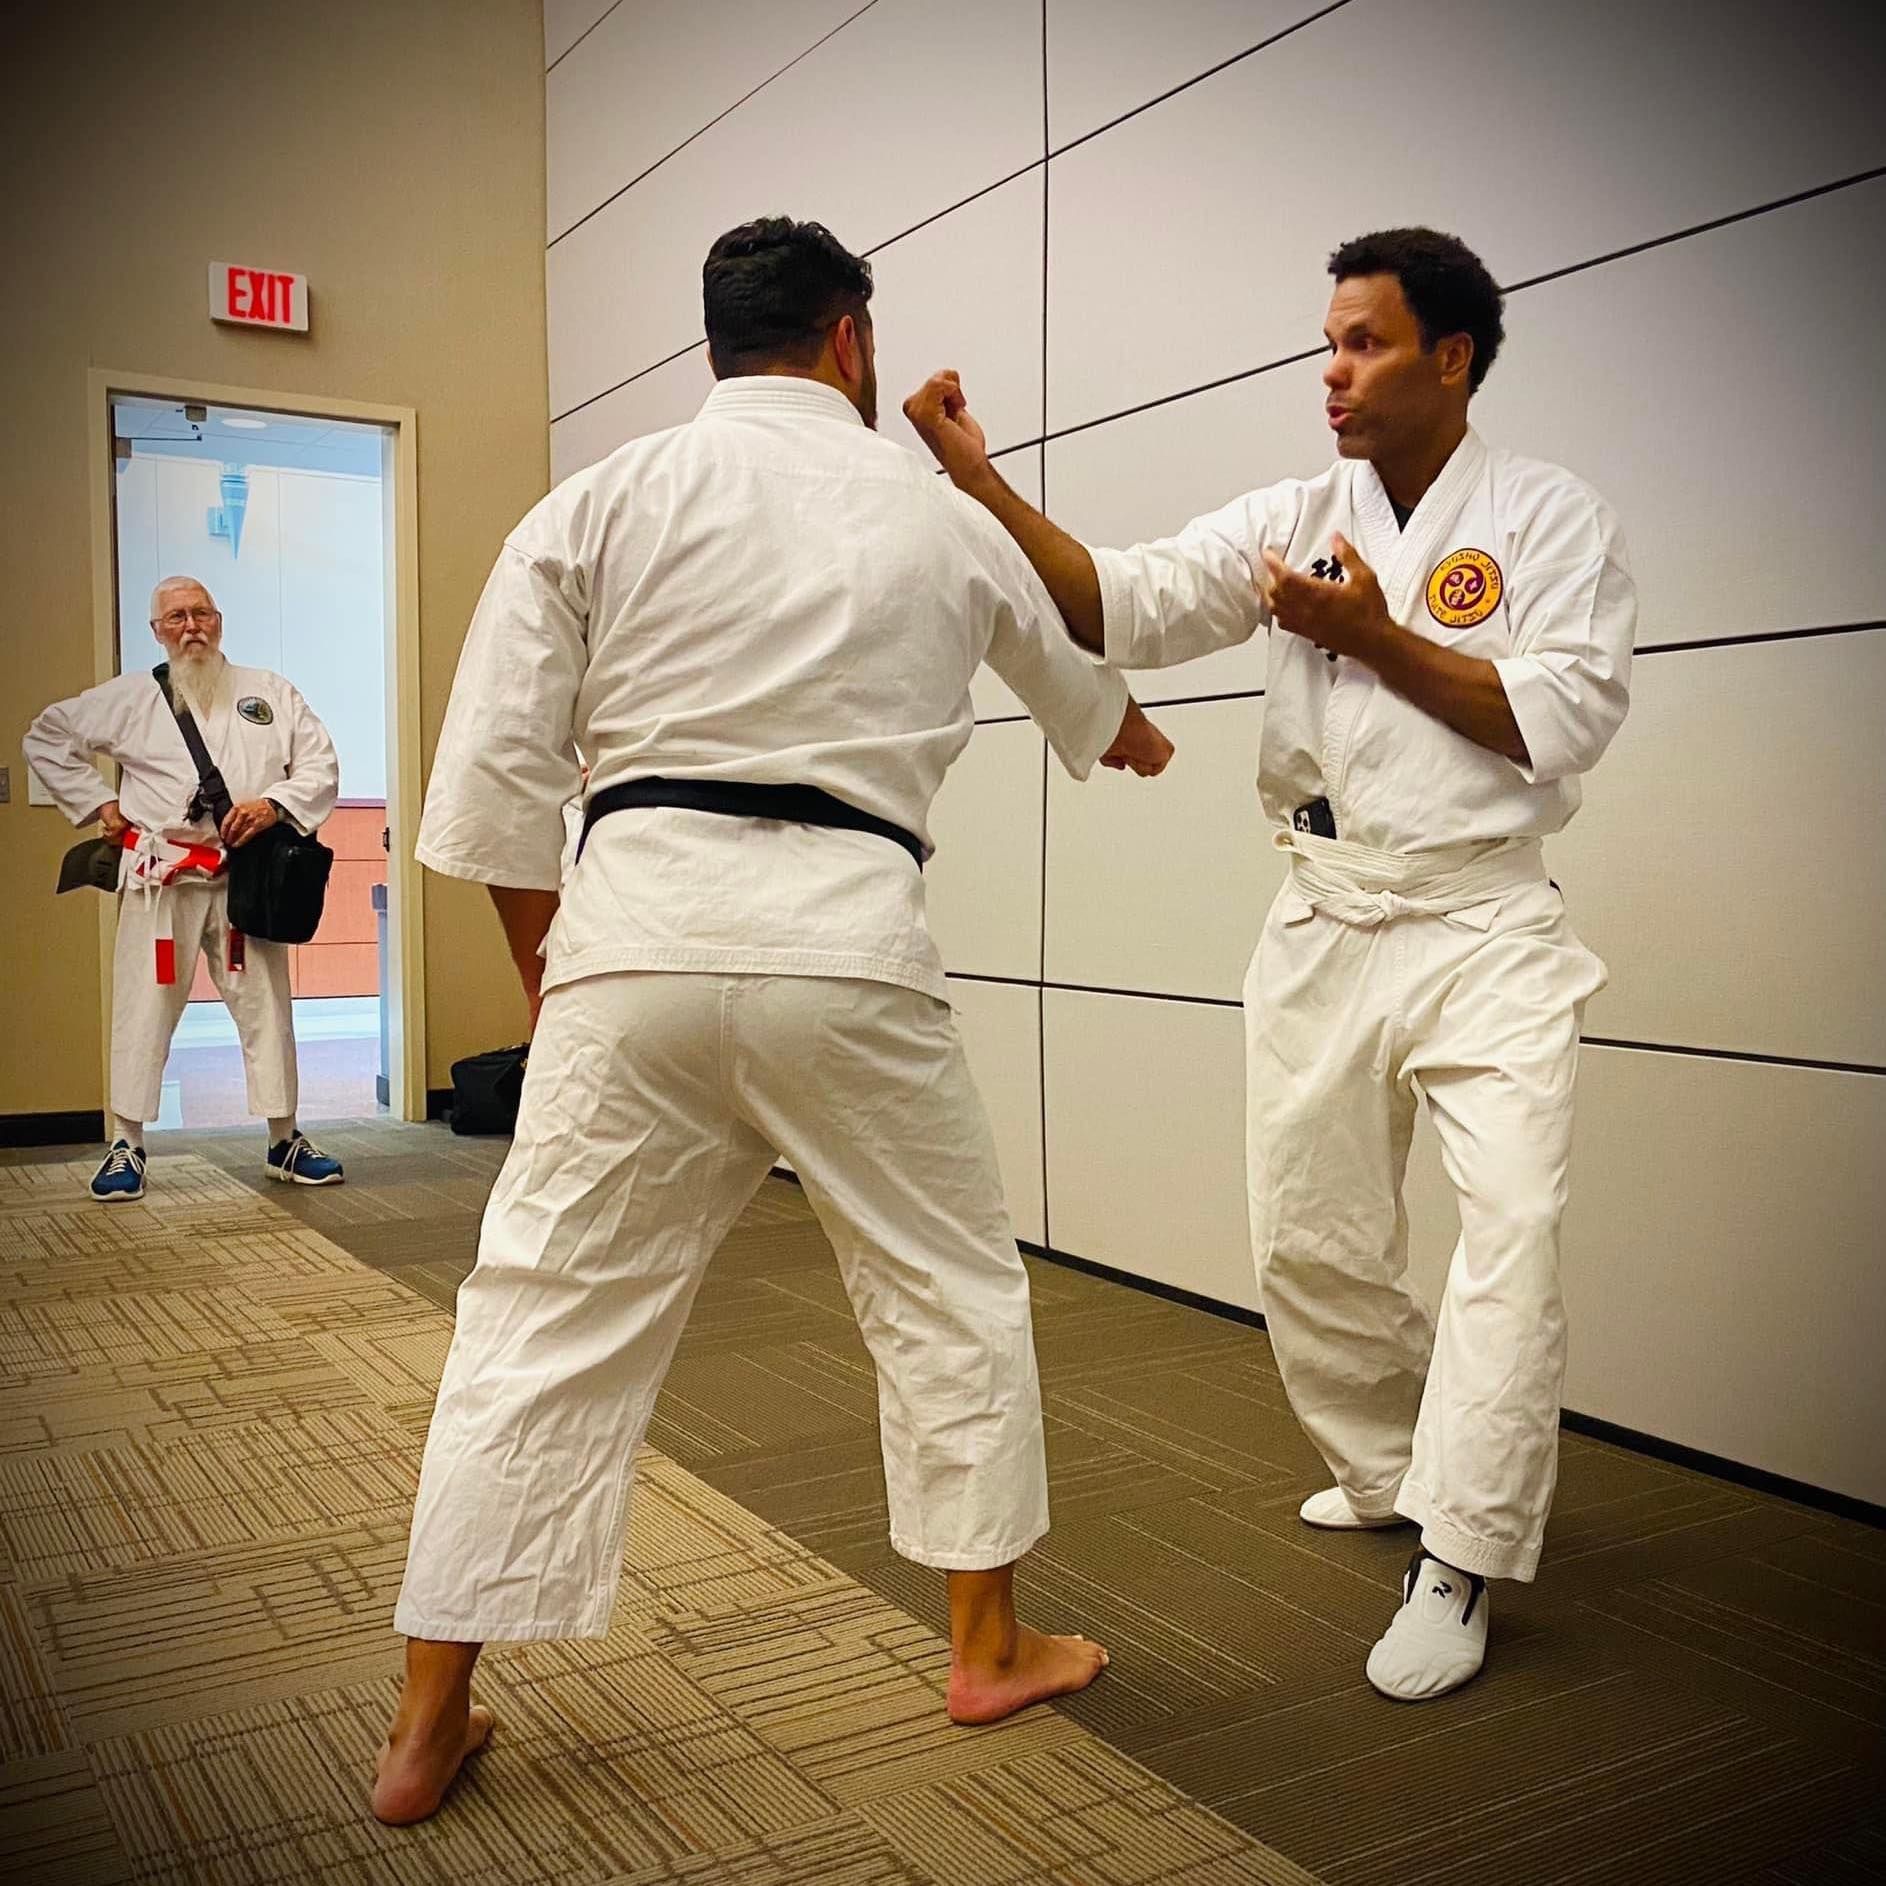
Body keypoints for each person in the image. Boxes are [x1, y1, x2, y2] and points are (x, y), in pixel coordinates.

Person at [373, 216, 1174, 1825]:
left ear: (717, 341)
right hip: (850, 948)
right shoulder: (938, 523)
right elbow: (1119, 729)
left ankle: (425, 1718)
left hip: (630, 936)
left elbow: (491, 798)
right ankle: (986, 1644)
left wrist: (564, 973)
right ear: (852, 340)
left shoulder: (594, 502)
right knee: (942, 1284)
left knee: (535, 1322)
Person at [904, 227, 1634, 1702]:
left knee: (1511, 1233)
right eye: (1327, 342)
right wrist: (977, 477)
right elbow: (1114, 602)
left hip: (1483, 920)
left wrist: (1373, 634)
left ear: (1450, 355)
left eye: (1362, 342)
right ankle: (1385, 1470)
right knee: (1309, 1237)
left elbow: (1555, 720)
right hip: (1322, 905)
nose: (1332, 372)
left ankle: (1462, 1551)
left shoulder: (1553, 519)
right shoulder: (1297, 511)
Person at [25, 577, 345, 1197]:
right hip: (161, 879)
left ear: (219, 621)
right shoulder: (130, 697)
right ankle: (126, 1143)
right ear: (156, 630)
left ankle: (285, 1138)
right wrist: (99, 804)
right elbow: (46, 735)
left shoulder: (269, 692)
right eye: (176, 617)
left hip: (243, 878)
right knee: (141, 1008)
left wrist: (275, 805)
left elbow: (320, 763)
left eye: (201, 613)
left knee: (268, 1010)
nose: (190, 625)